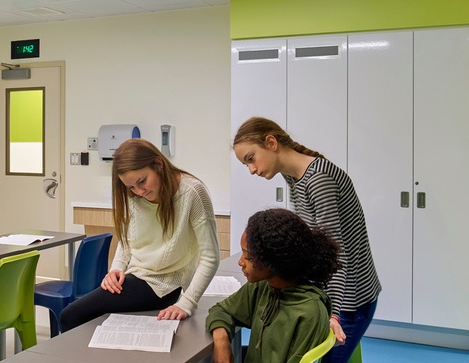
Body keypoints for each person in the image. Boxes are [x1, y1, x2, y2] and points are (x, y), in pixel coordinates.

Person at [231, 116, 381, 362]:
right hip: (335, 296)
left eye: (251, 159)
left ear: (271, 143)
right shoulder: (294, 177)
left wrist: (332, 314)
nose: (252, 169)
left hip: (348, 302)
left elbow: (337, 256)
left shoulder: (319, 179)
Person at [59, 138, 220, 332]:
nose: (139, 191)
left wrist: (188, 302)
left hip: (163, 285)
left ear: (158, 164)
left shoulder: (192, 193)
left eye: (142, 181)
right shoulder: (134, 196)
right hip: (136, 276)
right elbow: (128, 241)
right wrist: (116, 269)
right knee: (80, 318)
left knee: (70, 316)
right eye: (131, 187)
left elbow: (210, 257)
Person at [207, 208, 340, 363]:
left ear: (273, 261)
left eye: (248, 256)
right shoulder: (263, 287)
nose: (240, 262)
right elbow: (222, 310)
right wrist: (221, 338)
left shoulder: (309, 313)